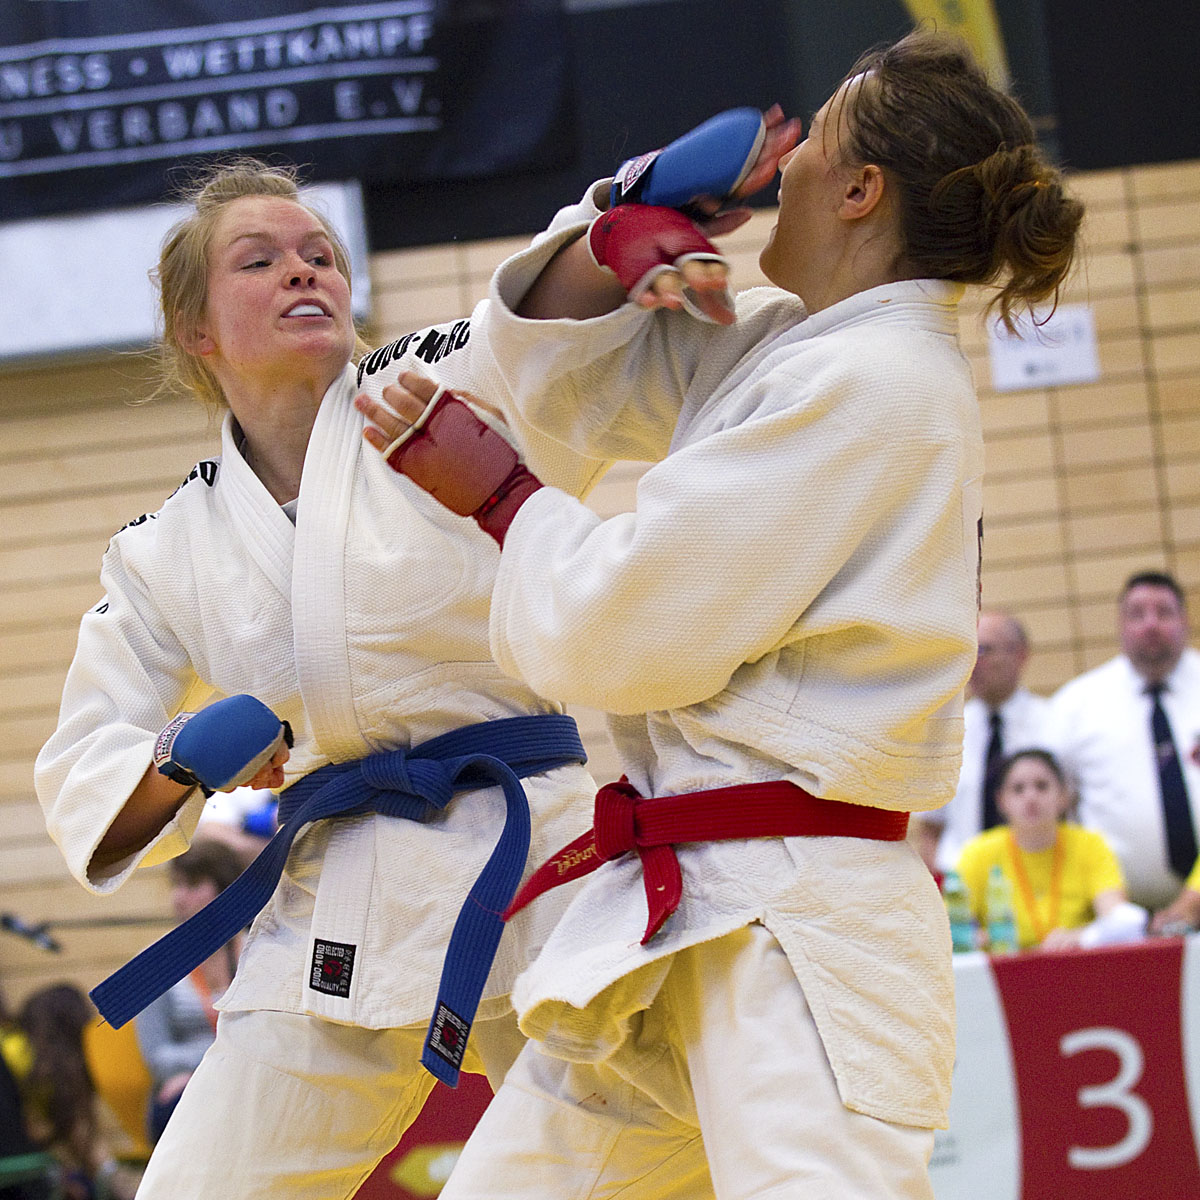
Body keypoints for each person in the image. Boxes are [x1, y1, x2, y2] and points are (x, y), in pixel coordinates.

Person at [355, 29, 1084, 1200]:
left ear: (860, 191)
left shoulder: (875, 382)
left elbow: (621, 629)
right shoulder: (797, 348)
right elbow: (558, 378)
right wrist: (621, 225)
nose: (777, 165)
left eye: (817, 142)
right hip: (693, 914)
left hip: (795, 927)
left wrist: (500, 497)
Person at [31, 156, 622, 1200]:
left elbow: (534, 326)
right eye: (259, 262)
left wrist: (626, 213)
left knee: (633, 1170)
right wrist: (184, 761)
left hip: (535, 857)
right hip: (341, 892)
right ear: (197, 333)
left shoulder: (430, 389)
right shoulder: (167, 547)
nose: (304, 273)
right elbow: (94, 761)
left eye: (321, 256)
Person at [1047, 570, 1200, 913]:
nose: (1151, 624)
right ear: (1120, 625)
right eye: (1137, 614)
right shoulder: (1076, 705)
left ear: (1185, 621)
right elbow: (1052, 806)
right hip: (1119, 916)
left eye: (1164, 612)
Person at [956, 749, 1143, 951]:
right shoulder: (978, 852)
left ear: (1063, 796)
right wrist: (975, 939)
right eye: (1018, 789)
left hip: (1075, 962)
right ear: (1001, 801)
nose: (1031, 797)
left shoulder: (1090, 845)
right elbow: (947, 930)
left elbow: (1121, 918)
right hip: (1002, 970)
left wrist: (1083, 936)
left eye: (1042, 786)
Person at [913, 610, 1050, 876]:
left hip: (1036, 883)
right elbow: (930, 828)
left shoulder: (1052, 723)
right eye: (967, 651)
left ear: (1020, 655)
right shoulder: (946, 730)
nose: (973, 662)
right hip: (961, 884)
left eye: (983, 650)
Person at [134, 841, 244, 1143]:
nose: (179, 897)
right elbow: (157, 1056)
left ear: (226, 889)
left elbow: (275, 1035)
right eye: (176, 885)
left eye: (193, 885)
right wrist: (208, 1068)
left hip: (250, 1078)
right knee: (184, 1107)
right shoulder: (155, 960)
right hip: (186, 1089)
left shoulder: (257, 950)